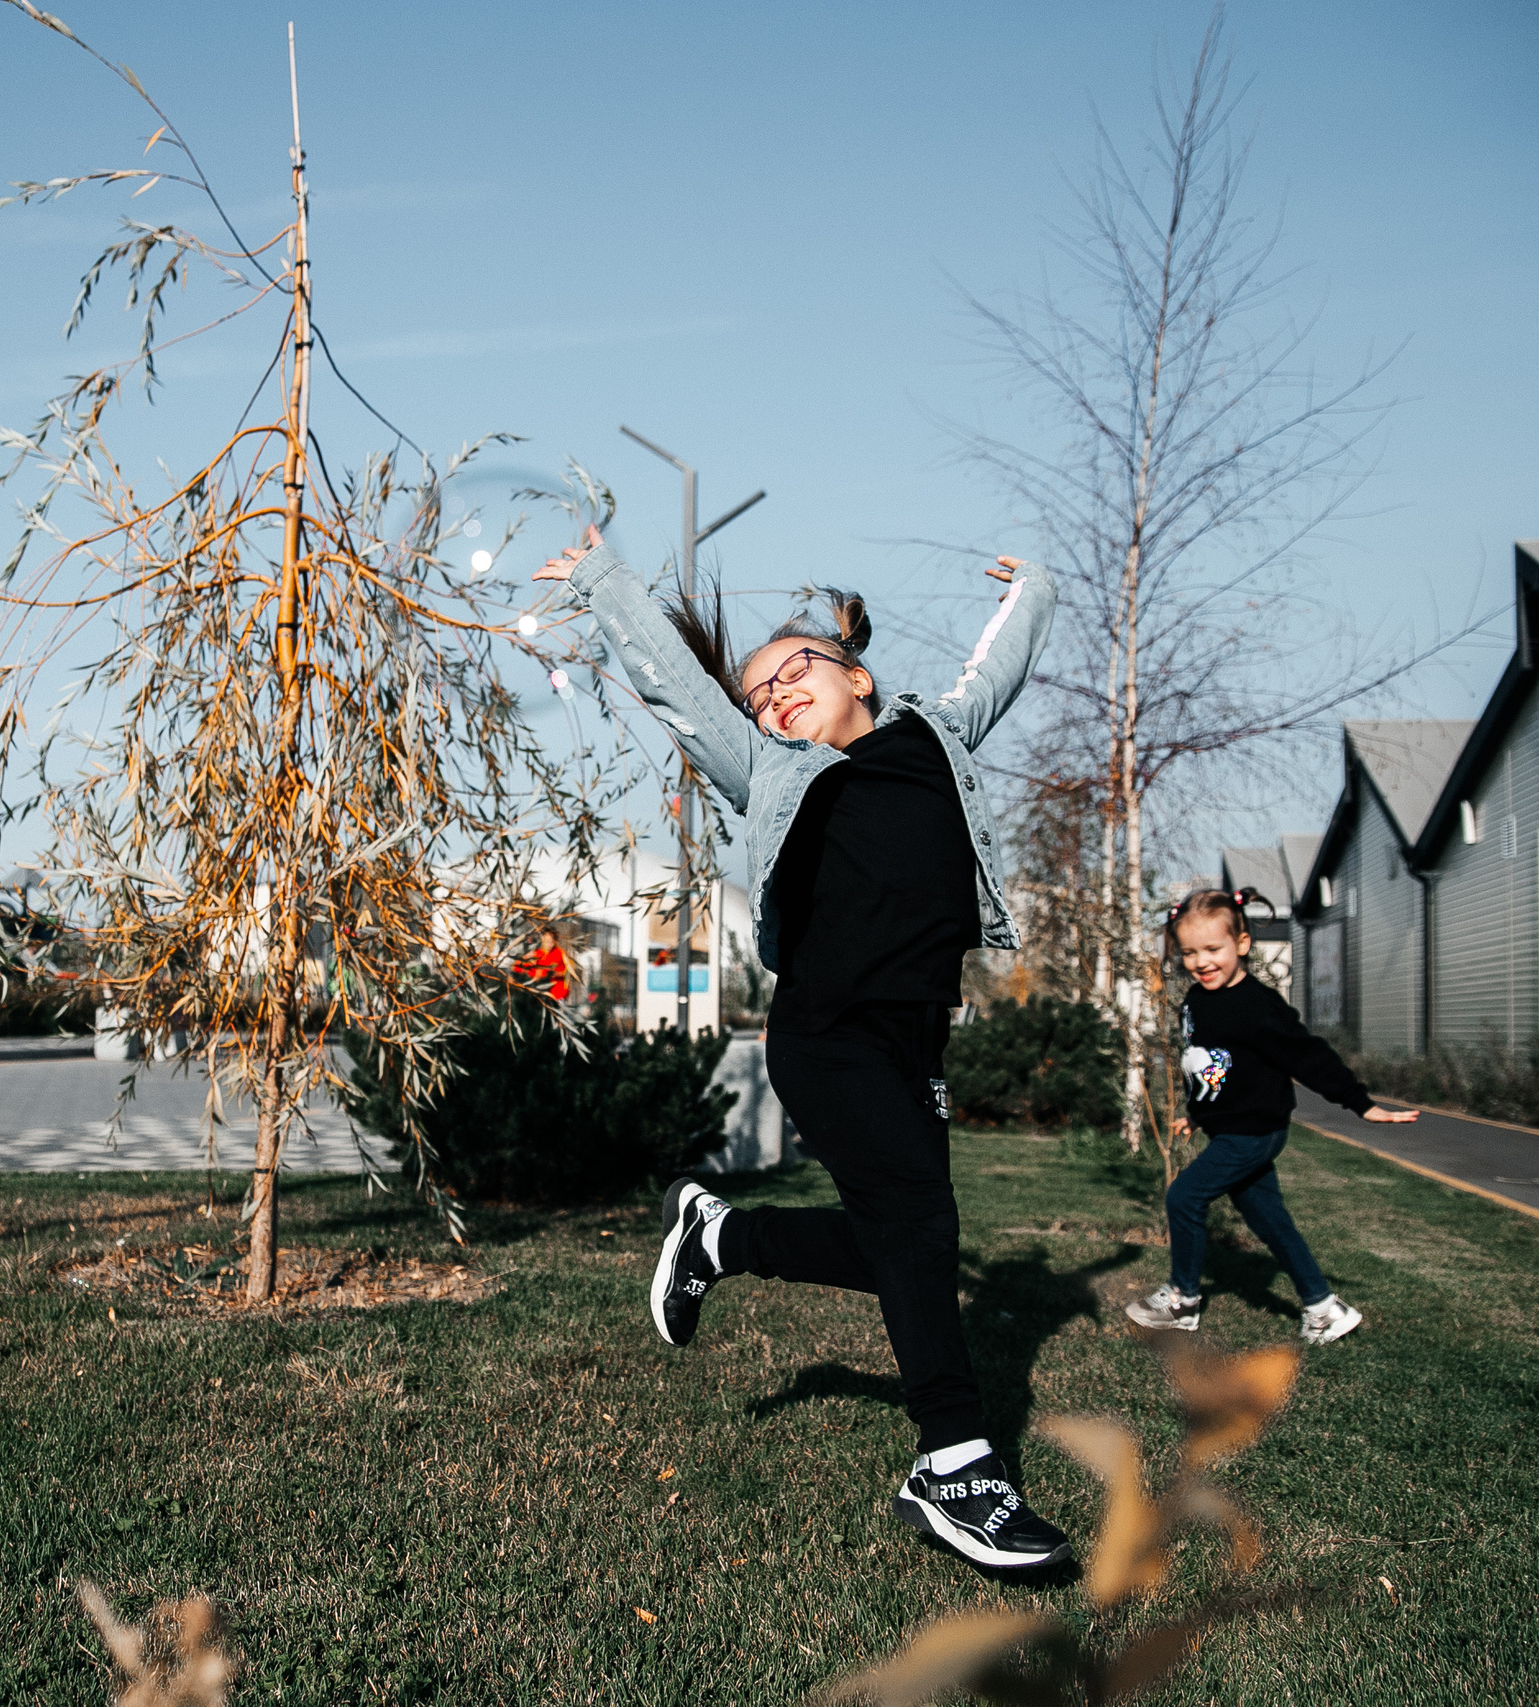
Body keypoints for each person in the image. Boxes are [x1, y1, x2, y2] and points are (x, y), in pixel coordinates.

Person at [534, 525, 1071, 1572]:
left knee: (897, 1246)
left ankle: (720, 1240)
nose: (774, 694)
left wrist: (1037, 586)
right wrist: (606, 583)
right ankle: (956, 1467)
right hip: (825, 1038)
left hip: (913, 1048)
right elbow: (680, 693)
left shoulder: (937, 737)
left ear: (856, 674)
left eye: (796, 671)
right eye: (760, 692)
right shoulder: (770, 772)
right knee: (918, 1224)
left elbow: (997, 662)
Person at [1124, 888, 1419, 1344]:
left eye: (1213, 949)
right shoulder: (1198, 1001)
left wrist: (1361, 1104)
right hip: (1231, 1128)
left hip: (1254, 1131)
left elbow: (1308, 1056)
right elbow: (1213, 1065)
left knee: (1184, 1197)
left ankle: (1183, 1301)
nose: (1201, 962)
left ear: (1241, 944)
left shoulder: (1259, 1007)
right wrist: (1198, 1113)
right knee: (1269, 1219)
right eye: (1189, 952)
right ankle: (1324, 1309)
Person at [513, 925, 574, 1002]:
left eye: (550, 942)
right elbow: (517, 967)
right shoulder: (538, 953)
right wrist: (524, 962)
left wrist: (555, 973)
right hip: (541, 996)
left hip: (557, 995)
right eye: (546, 941)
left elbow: (571, 972)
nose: (548, 944)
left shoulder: (561, 954)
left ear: (555, 941)